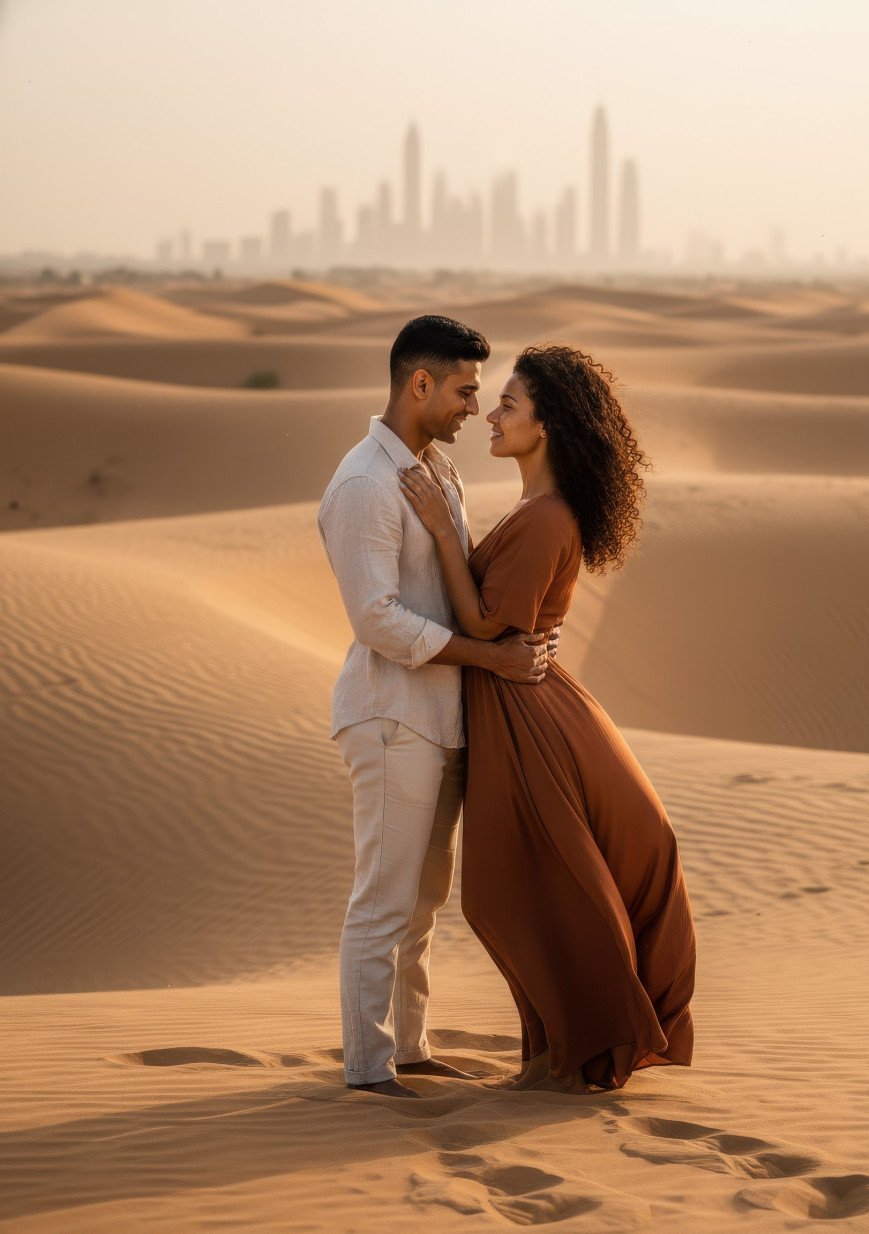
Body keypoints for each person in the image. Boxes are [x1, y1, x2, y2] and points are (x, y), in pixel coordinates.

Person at [397, 343, 697, 1093]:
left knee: (511, 889)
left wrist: (441, 531)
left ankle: (576, 1048)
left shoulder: (547, 516)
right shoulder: (538, 509)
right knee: (513, 889)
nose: (490, 415)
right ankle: (555, 1051)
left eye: (509, 406)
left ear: (548, 425)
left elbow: (494, 627)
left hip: (526, 714)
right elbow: (494, 614)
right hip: (516, 703)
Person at [316, 316, 560, 1099]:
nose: (472, 406)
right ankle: (367, 1068)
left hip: (439, 716)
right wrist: (494, 657)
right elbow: (376, 620)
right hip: (390, 716)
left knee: (422, 900)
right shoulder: (363, 483)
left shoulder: (435, 471)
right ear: (418, 384)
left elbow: (459, 592)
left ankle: (410, 1049)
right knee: (383, 900)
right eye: (462, 390)